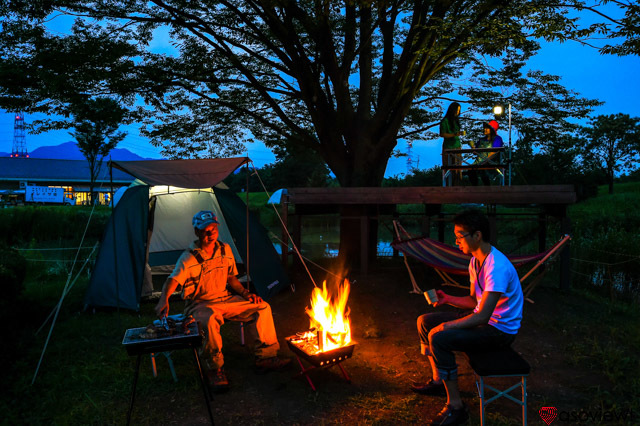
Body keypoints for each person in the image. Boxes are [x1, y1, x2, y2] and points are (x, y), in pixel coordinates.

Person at [155, 210, 291, 393]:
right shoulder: (189, 257)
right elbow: (173, 280)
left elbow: (231, 277)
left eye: (213, 229)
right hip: (200, 303)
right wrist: (164, 299)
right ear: (197, 231)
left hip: (225, 298)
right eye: (205, 230)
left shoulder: (225, 249)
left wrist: (245, 293)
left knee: (262, 307)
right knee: (209, 319)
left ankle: (265, 357)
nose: (210, 234)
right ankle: (214, 368)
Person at [411, 210, 523, 426]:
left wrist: (447, 326)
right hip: (485, 320)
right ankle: (438, 381)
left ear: (477, 235)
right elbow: (474, 301)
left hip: (499, 331)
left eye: (460, 236)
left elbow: (482, 316)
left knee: (439, 337)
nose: (456, 241)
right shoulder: (475, 262)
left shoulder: (496, 267)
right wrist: (447, 299)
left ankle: (456, 407)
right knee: (425, 322)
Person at [468, 120, 504, 186]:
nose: (485, 129)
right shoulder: (481, 140)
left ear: (492, 130)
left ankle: (487, 188)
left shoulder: (497, 139)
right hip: (479, 162)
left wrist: (485, 161)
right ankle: (475, 188)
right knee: (470, 170)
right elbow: (476, 152)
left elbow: (494, 152)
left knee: (483, 170)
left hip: (492, 162)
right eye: (485, 128)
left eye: (487, 128)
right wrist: (473, 148)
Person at [440, 102, 464, 186]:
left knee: (457, 169)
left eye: (459, 110)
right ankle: (448, 187)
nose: (458, 112)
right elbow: (442, 134)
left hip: (457, 146)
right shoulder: (445, 121)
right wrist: (454, 134)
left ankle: (457, 186)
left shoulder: (456, 121)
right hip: (448, 147)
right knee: (448, 168)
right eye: (457, 110)